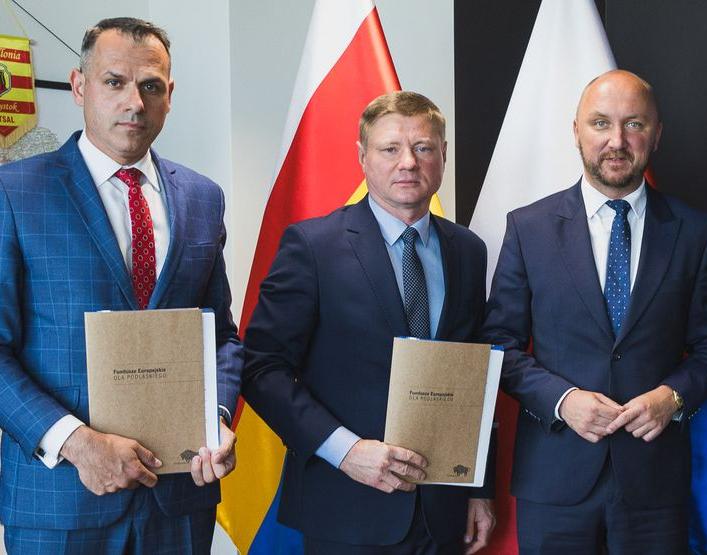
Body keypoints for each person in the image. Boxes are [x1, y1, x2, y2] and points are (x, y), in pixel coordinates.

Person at [0, 17, 242, 553]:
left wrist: (218, 418)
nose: (134, 102)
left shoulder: (202, 197)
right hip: (62, 500)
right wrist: (76, 443)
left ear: (169, 95)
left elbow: (221, 337)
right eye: (114, 82)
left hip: (179, 499)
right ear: (79, 86)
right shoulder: (14, 193)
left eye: (150, 86)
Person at [481, 69, 707, 554]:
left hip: (654, 482)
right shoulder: (529, 228)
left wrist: (672, 397)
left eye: (634, 124)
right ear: (576, 131)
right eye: (601, 123)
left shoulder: (694, 231)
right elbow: (498, 347)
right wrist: (563, 400)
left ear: (656, 135)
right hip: (554, 479)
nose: (617, 140)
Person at [242, 91, 495, 554]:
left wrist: (479, 486)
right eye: (390, 148)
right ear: (362, 156)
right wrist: (346, 451)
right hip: (346, 505)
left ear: (443, 155)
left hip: (443, 512)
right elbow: (261, 369)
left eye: (423, 147)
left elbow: (476, 376)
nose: (408, 162)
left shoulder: (468, 251)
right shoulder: (313, 246)